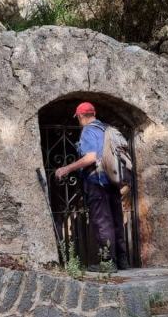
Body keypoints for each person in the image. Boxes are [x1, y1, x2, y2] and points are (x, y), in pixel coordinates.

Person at [54, 102, 130, 270]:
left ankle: (108, 262)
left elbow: (90, 157)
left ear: (80, 116)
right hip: (113, 179)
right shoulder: (107, 129)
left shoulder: (88, 131)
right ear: (93, 113)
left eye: (78, 118)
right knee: (116, 219)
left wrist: (67, 168)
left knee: (103, 221)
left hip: (97, 181)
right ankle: (122, 260)